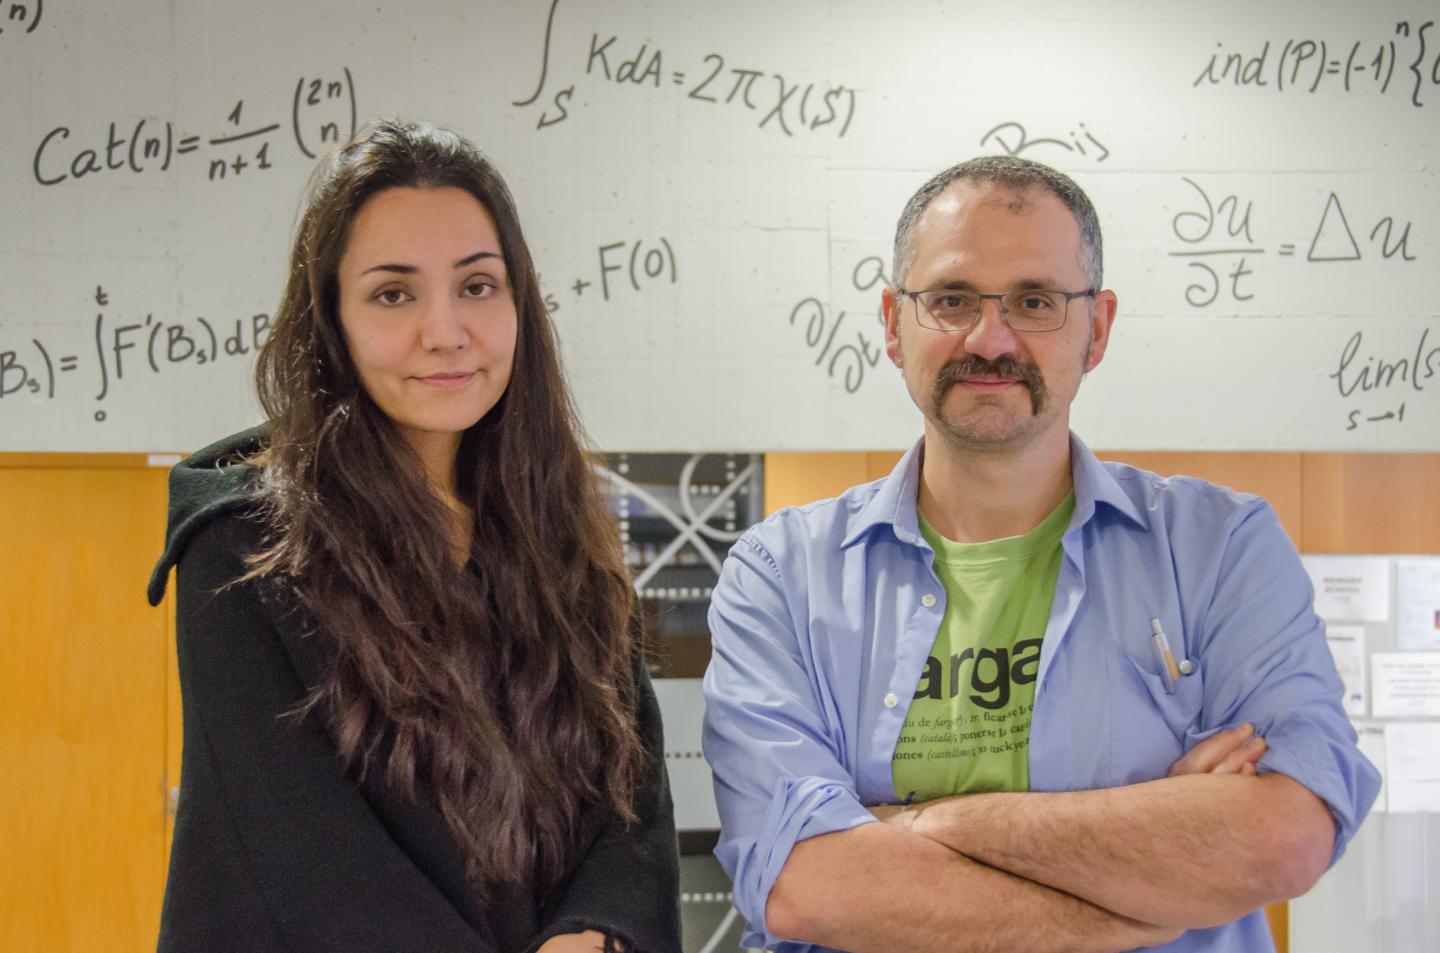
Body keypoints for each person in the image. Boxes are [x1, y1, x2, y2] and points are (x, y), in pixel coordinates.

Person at [702, 155, 1380, 953]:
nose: (990, 339)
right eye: (951, 299)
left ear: (1097, 328)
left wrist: (911, 827)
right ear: (892, 322)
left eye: (1035, 301)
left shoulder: (1219, 550)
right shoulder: (780, 575)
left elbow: (1285, 834)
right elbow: (807, 886)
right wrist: (1154, 889)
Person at [147, 120, 681, 953]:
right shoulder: (247, 546)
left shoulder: (559, 532)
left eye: (477, 286)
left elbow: (632, 791)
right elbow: (314, 863)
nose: (445, 331)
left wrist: (595, 927)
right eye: (394, 293)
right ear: (333, 320)